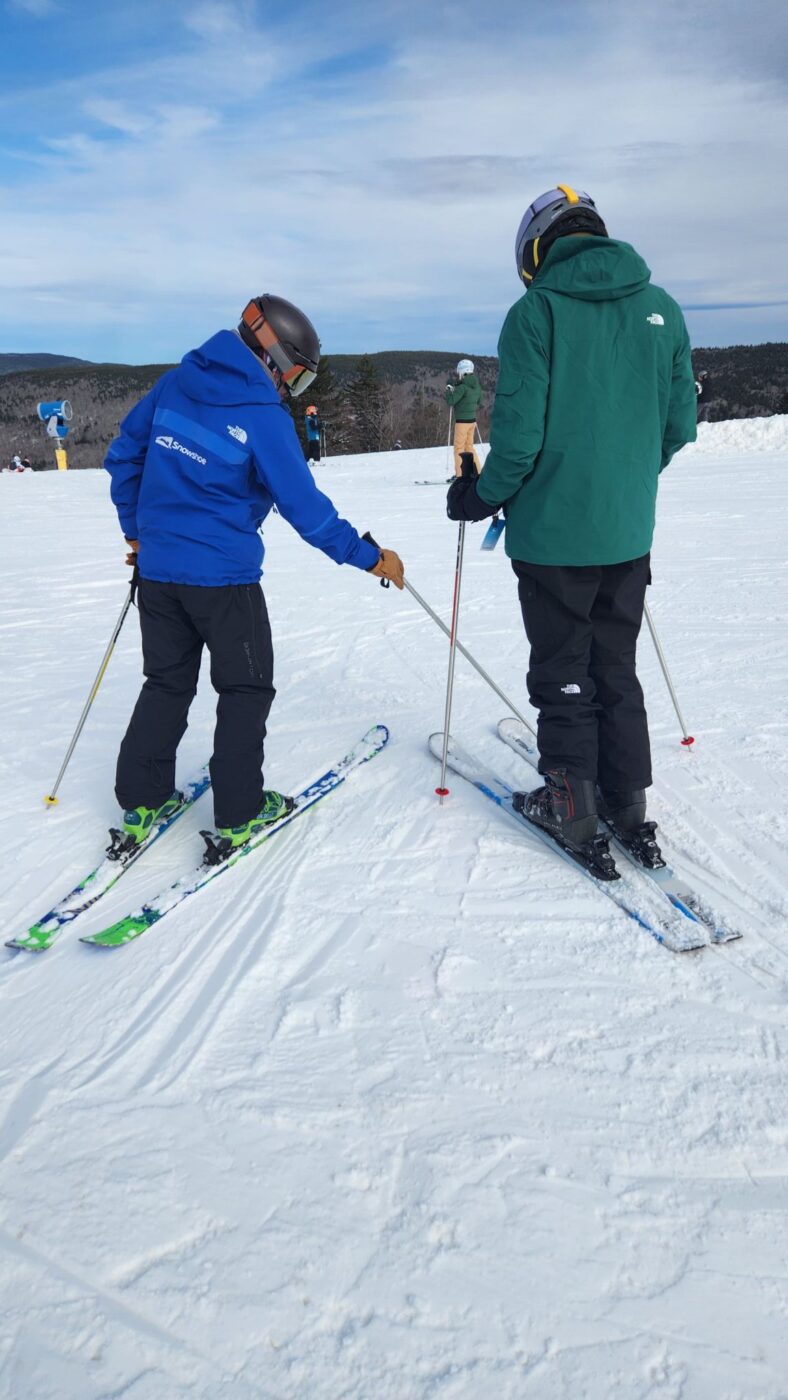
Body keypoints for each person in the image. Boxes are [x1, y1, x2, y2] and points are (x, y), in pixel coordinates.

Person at [446, 184, 697, 870]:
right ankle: (627, 803)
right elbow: (677, 427)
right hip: (627, 533)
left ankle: (572, 808)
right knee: (615, 666)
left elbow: (520, 442)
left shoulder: (535, 312)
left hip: (554, 538)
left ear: (536, 248)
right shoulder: (663, 308)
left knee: (565, 670)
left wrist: (479, 494)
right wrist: (624, 478)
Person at [104, 293, 404, 857]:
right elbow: (305, 509)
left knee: (166, 682)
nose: (293, 389)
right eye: (297, 377)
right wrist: (367, 556)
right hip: (224, 583)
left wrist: (139, 532)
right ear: (274, 357)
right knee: (245, 688)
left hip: (161, 575)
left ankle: (143, 797)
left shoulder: (175, 382)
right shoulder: (263, 415)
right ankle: (239, 814)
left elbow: (125, 456)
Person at [444, 359, 482, 476]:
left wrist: (448, 390)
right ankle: (477, 472)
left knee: (459, 449)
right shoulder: (476, 386)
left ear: (462, 372)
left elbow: (451, 401)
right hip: (472, 421)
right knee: (469, 447)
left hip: (462, 422)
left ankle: (460, 475)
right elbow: (479, 401)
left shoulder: (463, 387)